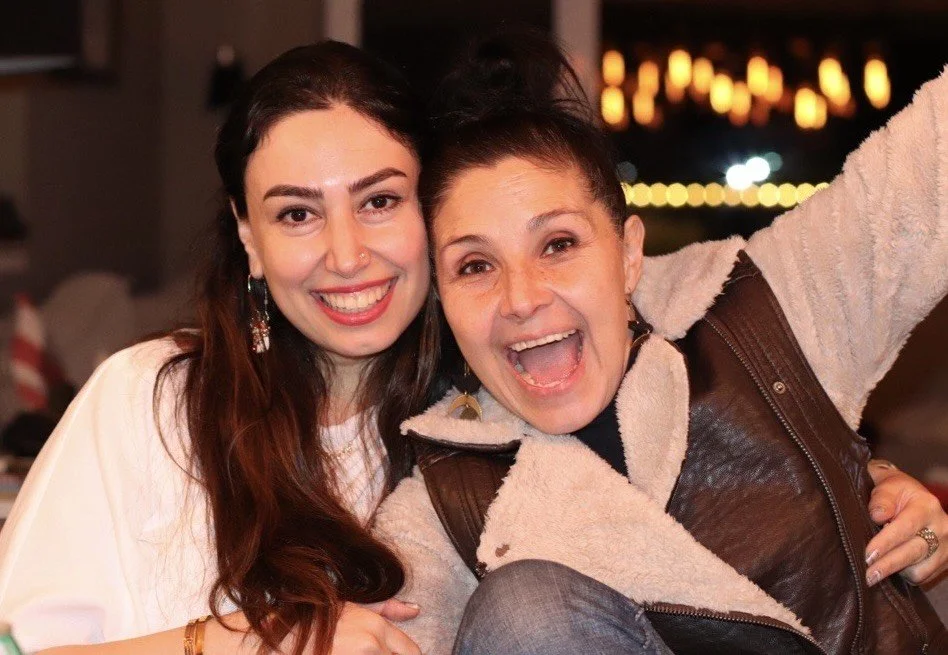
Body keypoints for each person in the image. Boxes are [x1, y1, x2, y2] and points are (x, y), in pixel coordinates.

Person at [373, 34, 948, 654]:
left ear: (627, 253)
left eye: (558, 245)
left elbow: (929, 165)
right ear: (442, 300)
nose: (520, 298)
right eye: (475, 266)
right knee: (527, 608)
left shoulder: (767, 310)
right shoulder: (446, 501)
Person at [0, 42, 438, 655]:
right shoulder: (149, 401)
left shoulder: (481, 428)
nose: (346, 255)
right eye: (296, 215)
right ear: (247, 235)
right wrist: (248, 640)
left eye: (379, 201)